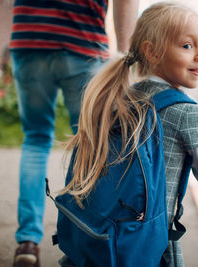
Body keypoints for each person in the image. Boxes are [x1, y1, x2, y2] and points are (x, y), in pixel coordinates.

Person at [62, 2, 198, 266]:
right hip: (150, 238)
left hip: (107, 229)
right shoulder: (187, 112)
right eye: (187, 46)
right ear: (152, 52)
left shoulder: (124, 97)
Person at [9, 0, 139, 266]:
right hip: (82, 37)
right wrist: (126, 55)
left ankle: (27, 243)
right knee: (91, 140)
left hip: (29, 34)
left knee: (35, 140)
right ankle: (85, 240)